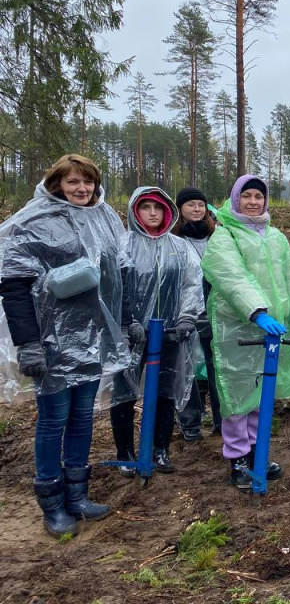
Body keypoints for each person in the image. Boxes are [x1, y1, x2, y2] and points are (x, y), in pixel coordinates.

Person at [0, 154, 133, 537]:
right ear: (57, 183)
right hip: (51, 341)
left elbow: (118, 274)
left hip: (93, 339)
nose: (82, 188)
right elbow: (14, 283)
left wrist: (125, 321)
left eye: (87, 182)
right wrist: (28, 343)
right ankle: (52, 503)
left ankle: (78, 494)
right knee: (53, 420)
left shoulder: (106, 217)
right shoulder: (35, 220)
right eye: (73, 181)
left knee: (83, 416)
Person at [202, 175, 290, 489]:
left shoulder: (276, 236)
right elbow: (231, 277)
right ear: (236, 199)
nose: (253, 202)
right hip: (237, 326)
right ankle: (238, 458)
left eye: (259, 196)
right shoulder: (225, 236)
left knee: (261, 391)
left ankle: (256, 451)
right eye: (247, 196)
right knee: (238, 393)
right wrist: (257, 312)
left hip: (273, 330)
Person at [110, 187, 203, 476]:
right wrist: (127, 323)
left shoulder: (179, 246)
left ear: (167, 211)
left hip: (172, 331)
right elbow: (115, 289)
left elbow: (192, 283)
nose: (152, 213)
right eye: (145, 207)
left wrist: (188, 316)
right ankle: (125, 451)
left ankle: (160, 448)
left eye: (158, 207)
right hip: (132, 335)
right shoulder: (123, 245)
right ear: (134, 211)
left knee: (166, 390)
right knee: (124, 392)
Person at [172, 187, 222, 439]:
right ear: (179, 208)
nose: (196, 209)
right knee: (185, 367)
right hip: (185, 313)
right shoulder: (173, 239)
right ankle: (190, 424)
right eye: (190, 204)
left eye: (201, 204)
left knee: (217, 367)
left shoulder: (217, 237)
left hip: (214, 312)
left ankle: (222, 420)